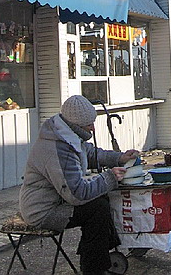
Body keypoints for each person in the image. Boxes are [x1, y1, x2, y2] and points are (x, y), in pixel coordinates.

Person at [19, 94, 139, 275]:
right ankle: (94, 269)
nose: (92, 127)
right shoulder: (58, 147)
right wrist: (109, 178)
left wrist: (119, 158)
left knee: (101, 200)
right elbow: (77, 194)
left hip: (57, 201)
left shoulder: (65, 134)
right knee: (97, 209)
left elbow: (89, 154)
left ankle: (100, 255)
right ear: (76, 125)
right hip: (42, 211)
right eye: (88, 124)